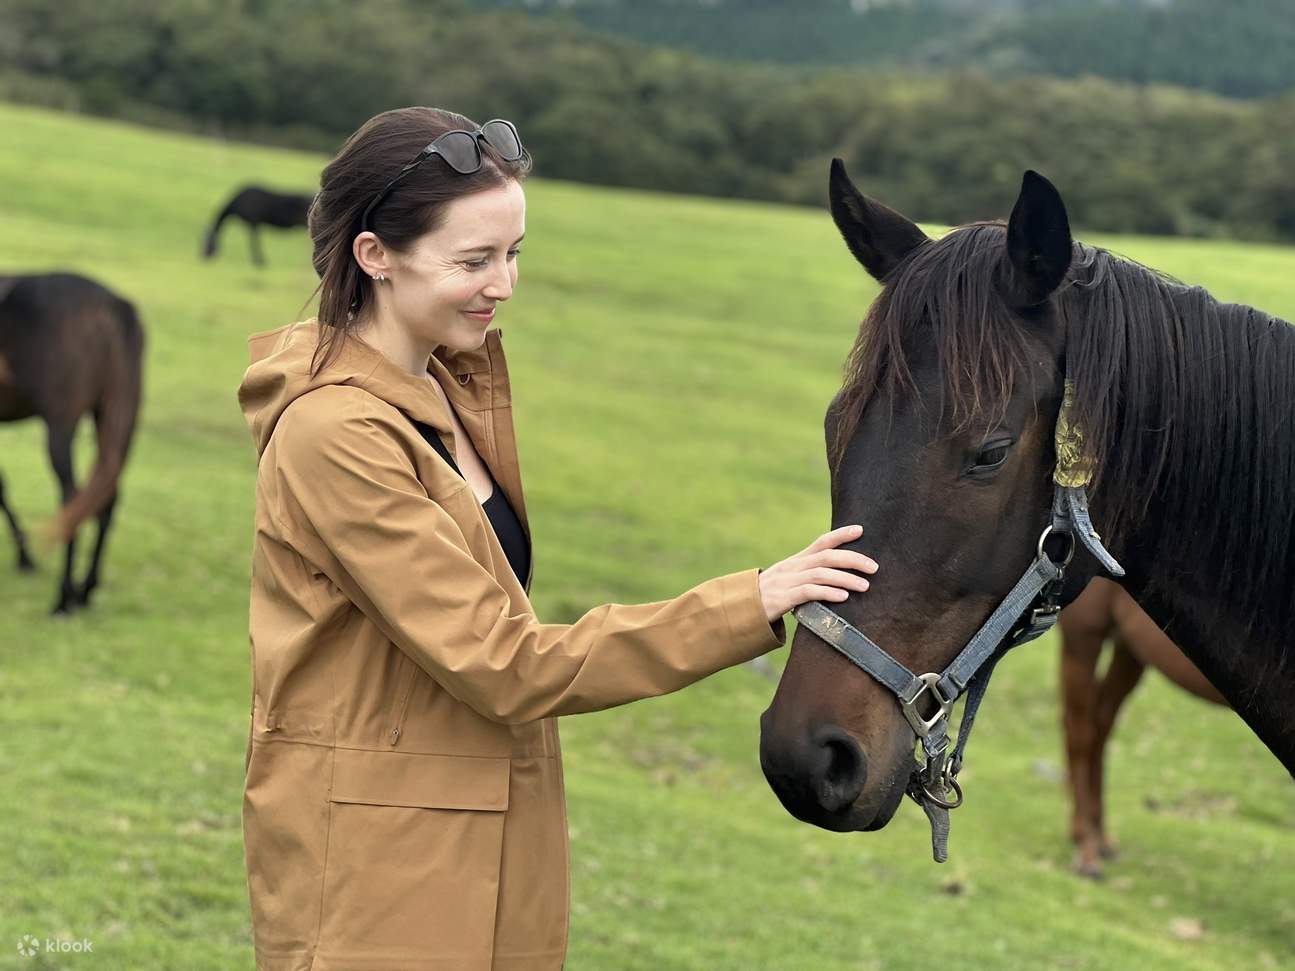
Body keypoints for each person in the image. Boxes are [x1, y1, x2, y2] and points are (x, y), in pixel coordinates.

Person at [236, 106, 877, 971]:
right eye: (472, 260)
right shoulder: (336, 435)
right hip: (376, 866)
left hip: (484, 831)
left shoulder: (443, 394)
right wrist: (748, 600)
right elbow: (502, 662)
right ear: (374, 255)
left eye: (512, 255)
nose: (502, 285)